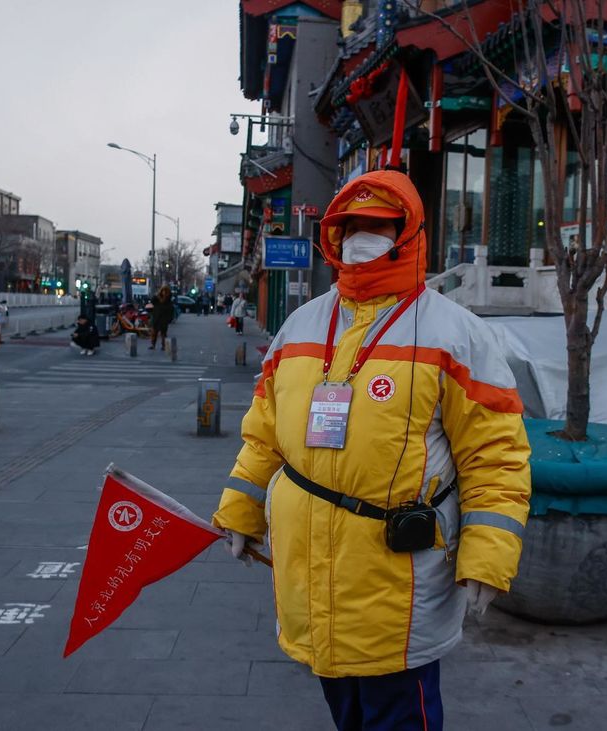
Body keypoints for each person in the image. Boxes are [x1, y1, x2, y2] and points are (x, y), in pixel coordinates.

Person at [213, 170, 531, 731]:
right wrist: (240, 509)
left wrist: (488, 557)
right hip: (309, 567)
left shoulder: (456, 334)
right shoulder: (300, 326)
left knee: (399, 712)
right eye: (352, 224)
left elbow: (496, 457)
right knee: (344, 706)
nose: (363, 236)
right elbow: (263, 434)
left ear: (407, 233)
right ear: (334, 235)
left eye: (379, 225)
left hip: (400, 579)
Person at [147, 284, 176, 350]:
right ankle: (153, 345)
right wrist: (156, 295)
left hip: (164, 320)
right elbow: (152, 301)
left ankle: (163, 345)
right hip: (156, 318)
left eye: (165, 291)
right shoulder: (157, 299)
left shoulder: (169, 301)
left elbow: (171, 311)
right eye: (163, 291)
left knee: (163, 334)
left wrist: (169, 319)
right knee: (154, 332)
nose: (164, 293)